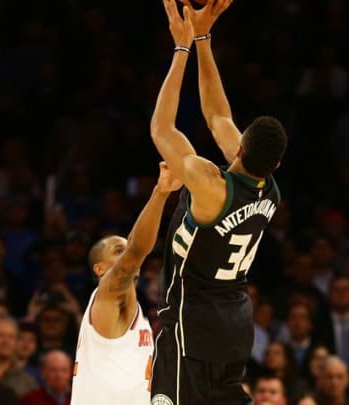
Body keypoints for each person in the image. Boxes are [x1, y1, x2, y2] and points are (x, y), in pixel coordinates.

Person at [150, 1, 288, 404]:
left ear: (241, 148)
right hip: (235, 325)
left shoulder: (212, 187)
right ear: (275, 163)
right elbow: (217, 117)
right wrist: (204, 38)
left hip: (192, 324)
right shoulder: (270, 190)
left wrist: (182, 49)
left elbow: (162, 129)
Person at [70, 162, 181, 405]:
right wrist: (161, 192)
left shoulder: (130, 307)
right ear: (99, 269)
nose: (126, 256)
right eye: (118, 251)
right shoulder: (108, 297)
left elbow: (134, 245)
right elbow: (136, 250)